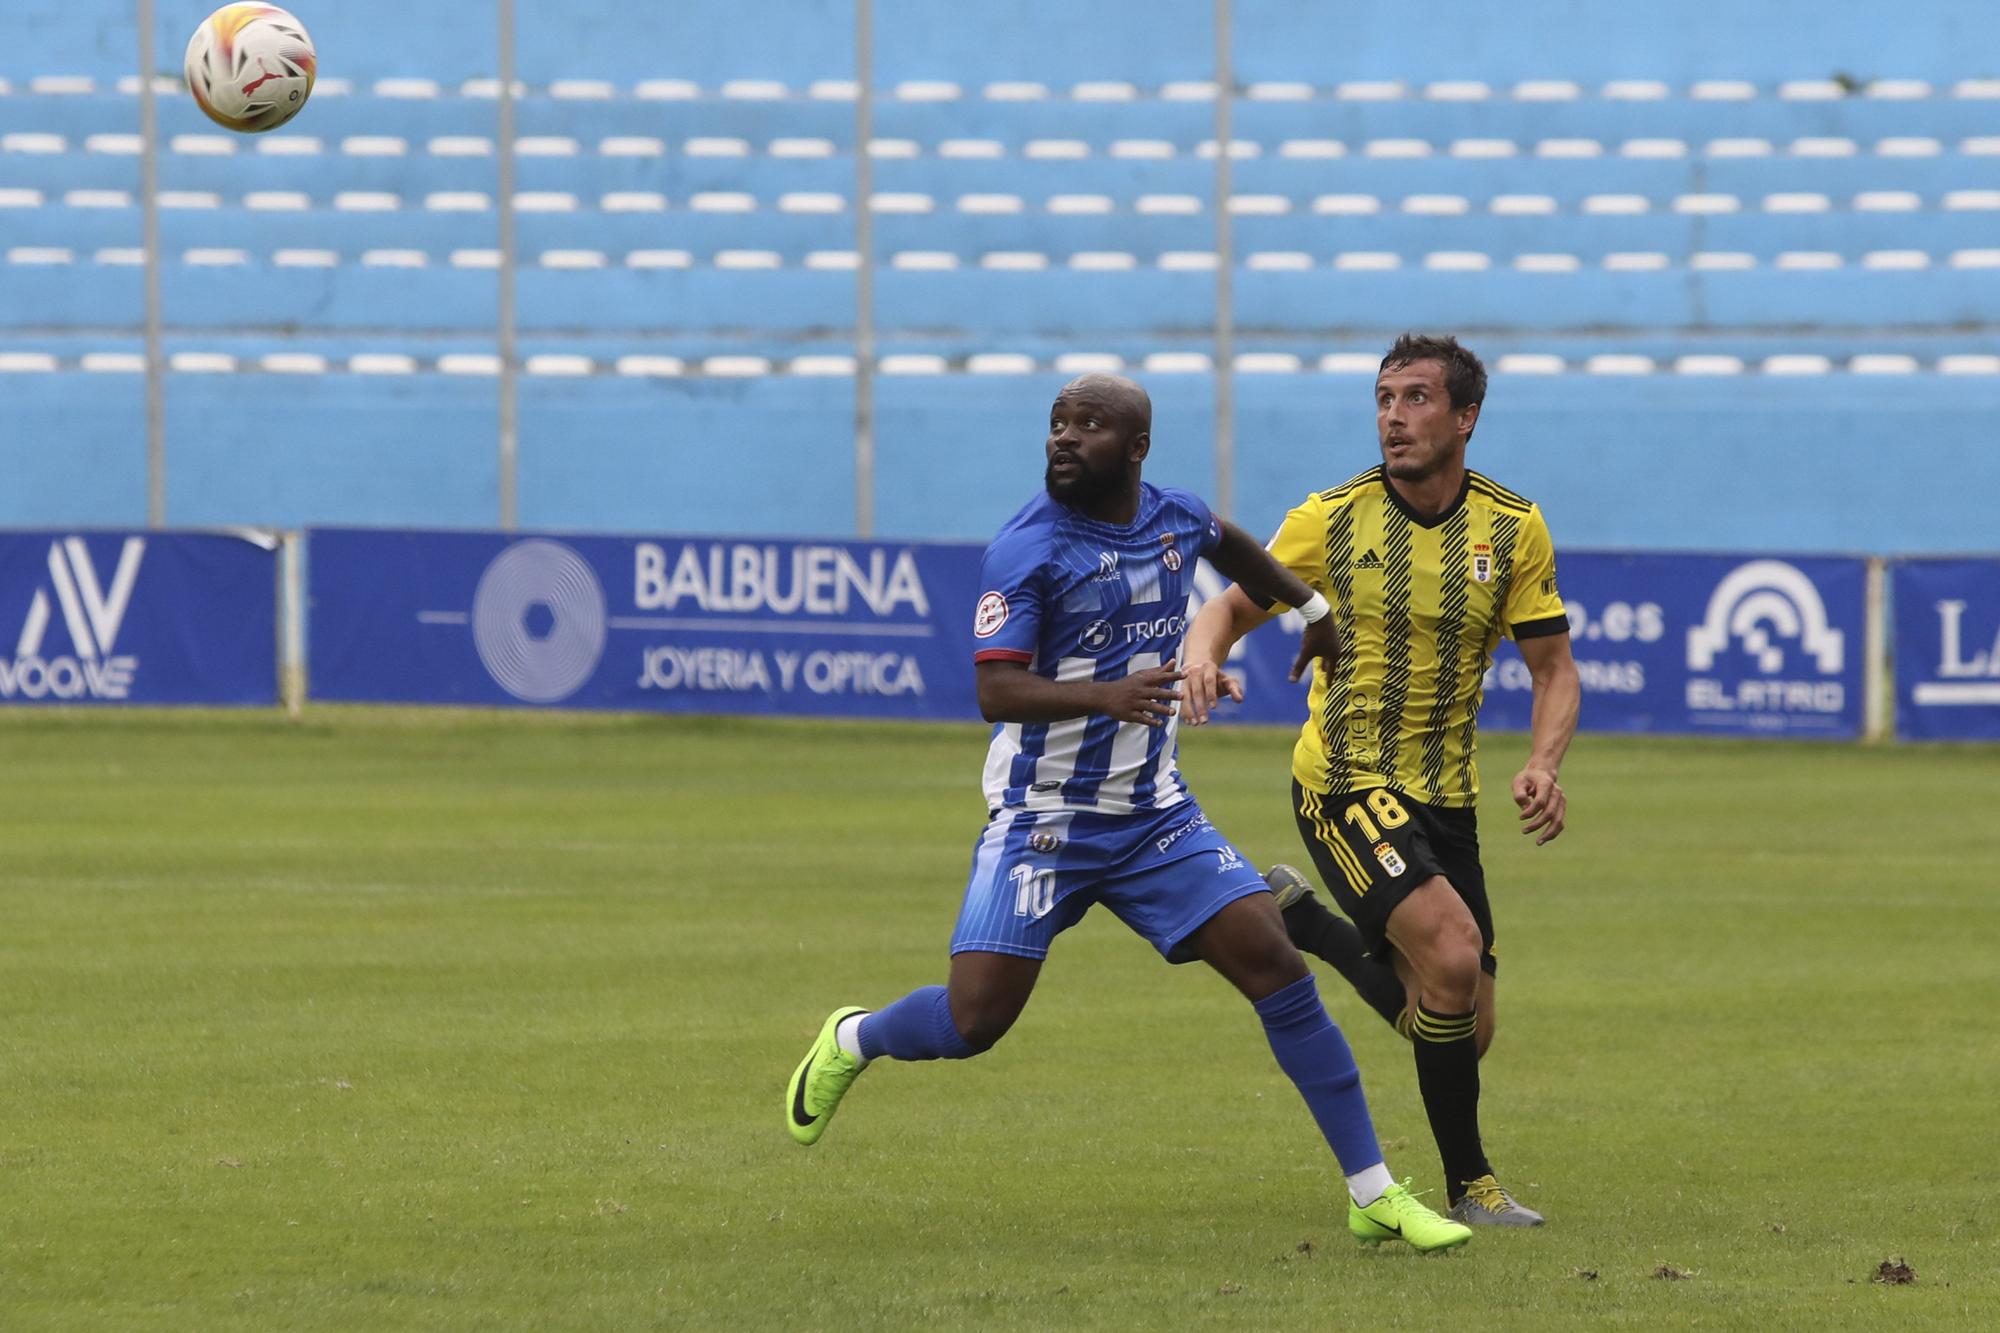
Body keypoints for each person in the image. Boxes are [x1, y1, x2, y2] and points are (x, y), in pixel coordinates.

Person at [785, 373, 1472, 1253]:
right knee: (974, 1021)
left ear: (1137, 447)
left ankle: (1372, 1192)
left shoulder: (1173, 515)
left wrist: (1314, 610)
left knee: (1276, 964)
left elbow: (1232, 545)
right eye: (1058, 423)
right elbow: (995, 689)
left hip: (1154, 815)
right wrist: (1109, 694)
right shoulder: (1026, 550)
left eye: (1090, 425)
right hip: (1045, 819)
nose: (1065, 438)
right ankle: (857, 1035)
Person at [1180, 334, 1581, 1228]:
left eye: (1416, 399)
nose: (1393, 417)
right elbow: (1228, 604)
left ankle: (1311, 926)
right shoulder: (1332, 517)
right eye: (1384, 398)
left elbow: (1554, 669)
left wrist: (1544, 763)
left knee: (1460, 1024)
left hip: (1449, 796)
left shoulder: (1513, 527)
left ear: (1465, 416)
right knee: (1447, 954)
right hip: (1343, 782)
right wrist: (1205, 657)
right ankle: (1469, 1187)